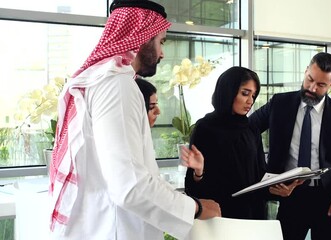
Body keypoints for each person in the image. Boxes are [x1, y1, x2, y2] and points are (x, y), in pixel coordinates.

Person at [48, 1, 220, 239]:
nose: (162, 53)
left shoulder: (100, 82)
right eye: (161, 41)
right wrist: (196, 208)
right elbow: (129, 186)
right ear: (142, 36)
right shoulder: (117, 85)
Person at [249, 52, 331, 240]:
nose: (312, 88)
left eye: (321, 85)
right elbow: (247, 131)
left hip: (328, 198)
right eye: (309, 79)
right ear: (305, 72)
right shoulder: (279, 104)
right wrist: (267, 177)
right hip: (290, 195)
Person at [182, 66, 268, 219]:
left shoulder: (251, 128)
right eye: (245, 93)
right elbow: (192, 189)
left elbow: (261, 175)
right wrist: (198, 172)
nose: (250, 101)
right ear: (228, 91)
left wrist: (278, 186)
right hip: (219, 215)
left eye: (253, 95)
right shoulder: (205, 127)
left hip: (252, 214)